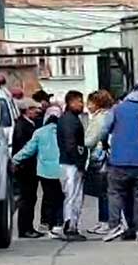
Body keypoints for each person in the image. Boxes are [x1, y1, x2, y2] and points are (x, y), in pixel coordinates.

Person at [103, 82, 138, 242]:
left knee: (115, 193)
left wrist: (105, 144)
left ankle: (114, 226)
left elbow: (105, 128)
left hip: (119, 160)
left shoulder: (118, 109)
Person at [13, 106, 64, 239]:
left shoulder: (39, 132)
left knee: (48, 198)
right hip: (61, 170)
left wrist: (15, 160)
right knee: (59, 198)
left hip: (44, 171)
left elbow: (28, 149)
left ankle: (47, 224)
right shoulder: (62, 131)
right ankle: (56, 225)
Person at [57, 90, 88, 242]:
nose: (81, 104)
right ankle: (70, 226)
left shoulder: (68, 119)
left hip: (67, 162)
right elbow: (71, 144)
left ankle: (70, 225)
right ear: (70, 103)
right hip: (71, 164)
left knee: (72, 195)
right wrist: (79, 162)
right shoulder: (70, 121)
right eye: (79, 101)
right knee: (73, 196)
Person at [12, 98, 44, 239]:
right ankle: (25, 229)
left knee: (31, 198)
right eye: (32, 109)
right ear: (26, 110)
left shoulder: (31, 124)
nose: (36, 111)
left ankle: (28, 227)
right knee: (27, 198)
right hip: (25, 168)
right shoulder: (22, 126)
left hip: (30, 167)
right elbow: (23, 146)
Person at [84, 90, 114, 236]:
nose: (87, 106)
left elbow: (90, 141)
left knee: (103, 192)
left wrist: (82, 142)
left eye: (90, 103)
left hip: (99, 157)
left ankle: (105, 222)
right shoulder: (109, 115)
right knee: (104, 191)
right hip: (106, 156)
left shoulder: (99, 119)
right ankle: (103, 220)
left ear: (98, 103)